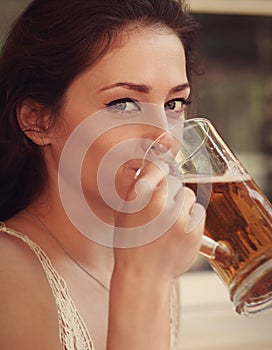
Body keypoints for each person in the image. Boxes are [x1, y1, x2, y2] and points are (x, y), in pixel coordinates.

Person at [0, 0, 205, 349]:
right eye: (123, 103)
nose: (165, 138)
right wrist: (145, 280)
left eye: (173, 104)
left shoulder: (153, 255)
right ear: (37, 119)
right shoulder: (7, 273)